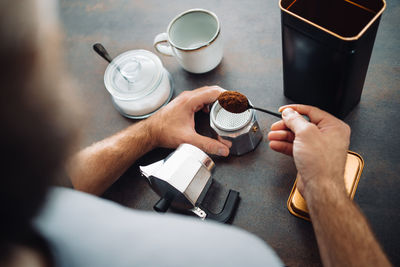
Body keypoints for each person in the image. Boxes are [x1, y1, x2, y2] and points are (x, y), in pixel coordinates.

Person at [0, 1, 391, 267]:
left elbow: (56, 186)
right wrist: (323, 183)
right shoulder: (232, 257)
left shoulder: (25, 203)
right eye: (47, 53)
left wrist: (151, 130)